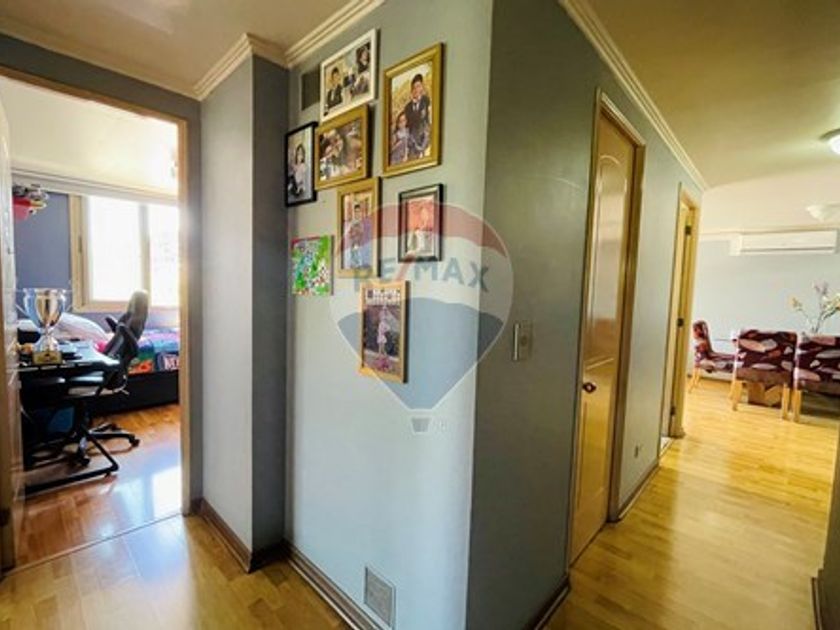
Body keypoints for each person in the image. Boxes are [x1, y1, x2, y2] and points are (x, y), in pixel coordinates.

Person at [402, 73, 431, 158]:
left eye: (418, 86)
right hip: (413, 139)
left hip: (424, 136)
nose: (416, 90)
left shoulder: (426, 100)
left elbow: (425, 119)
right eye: (414, 88)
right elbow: (409, 124)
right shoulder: (407, 107)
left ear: (422, 87)